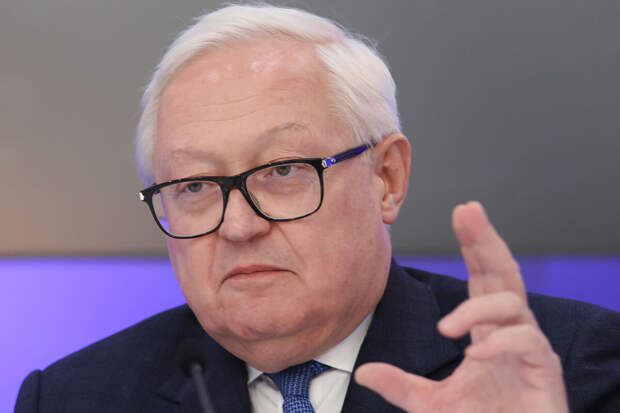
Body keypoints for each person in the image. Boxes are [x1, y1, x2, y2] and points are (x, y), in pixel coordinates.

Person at [15, 4, 620, 412]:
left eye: (283, 171)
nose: (240, 226)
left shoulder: (567, 367)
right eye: (195, 186)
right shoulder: (71, 398)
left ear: (386, 179)